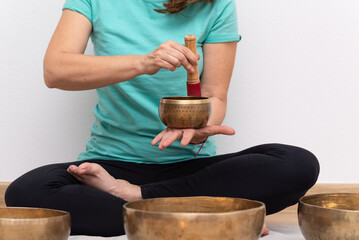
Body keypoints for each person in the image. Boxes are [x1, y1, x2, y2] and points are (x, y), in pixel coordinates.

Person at [5, 0, 320, 237]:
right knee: (24, 192)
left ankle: (139, 198)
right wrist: (144, 62)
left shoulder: (217, 3)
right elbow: (56, 70)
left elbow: (216, 96)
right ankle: (214, 215)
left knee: (296, 163)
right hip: (108, 167)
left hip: (190, 171)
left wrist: (199, 127)